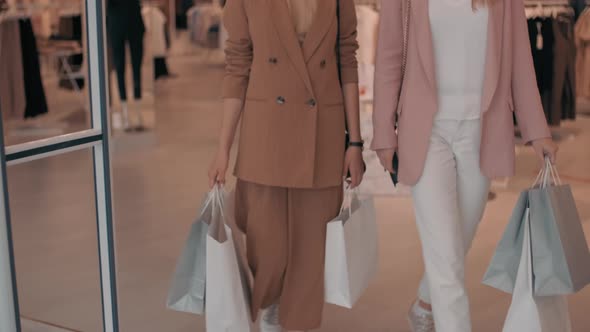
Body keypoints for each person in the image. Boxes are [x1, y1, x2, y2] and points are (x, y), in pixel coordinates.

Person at [371, 0, 558, 331]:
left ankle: (424, 307)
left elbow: (519, 58)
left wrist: (536, 129)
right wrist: (384, 131)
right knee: (447, 260)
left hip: (481, 132)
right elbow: (388, 56)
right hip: (427, 132)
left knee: (456, 244)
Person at [208, 0, 364, 331]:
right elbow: (238, 65)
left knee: (309, 258)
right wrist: (223, 147)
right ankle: (270, 313)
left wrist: (355, 142)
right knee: (268, 252)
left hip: (322, 132)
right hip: (267, 135)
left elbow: (346, 61)